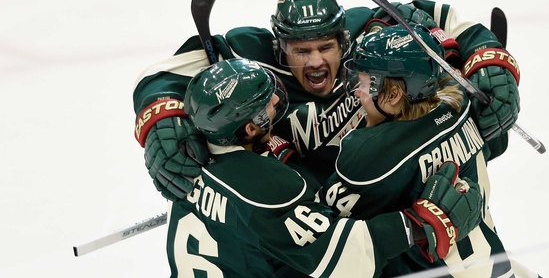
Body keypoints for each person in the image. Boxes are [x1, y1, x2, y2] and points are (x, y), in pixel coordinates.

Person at [133, 0, 521, 202]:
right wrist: (163, 125)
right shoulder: (248, 57)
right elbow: (162, 77)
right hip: (310, 204)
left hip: (392, 184)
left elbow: (449, 21)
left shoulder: (368, 32)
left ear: (343, 39)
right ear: (280, 46)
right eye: (301, 50)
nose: (315, 62)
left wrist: (489, 63)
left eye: (325, 48)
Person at [165, 57, 483, 277]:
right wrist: (417, 223)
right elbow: (345, 260)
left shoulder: (184, 157)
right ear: (248, 129)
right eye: (266, 103)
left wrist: (281, 161)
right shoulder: (269, 190)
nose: (276, 102)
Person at [319, 23, 537, 277]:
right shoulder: (463, 106)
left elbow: (320, 235)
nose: (357, 92)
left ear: (393, 96)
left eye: (365, 84)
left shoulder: (370, 155)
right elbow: (497, 144)